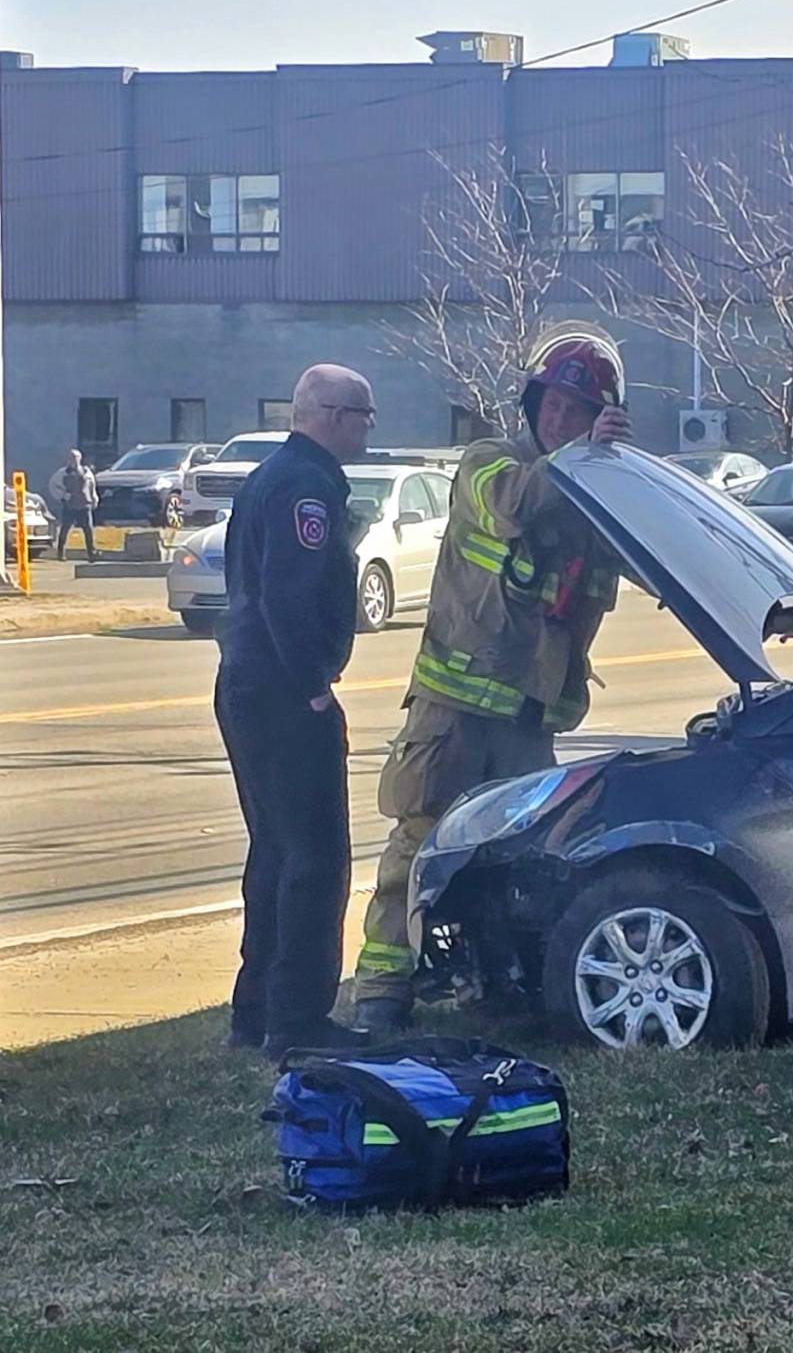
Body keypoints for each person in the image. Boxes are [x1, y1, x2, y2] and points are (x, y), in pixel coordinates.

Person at [348, 328, 631, 1033]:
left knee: (526, 859)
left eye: (579, 409)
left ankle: (499, 982)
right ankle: (383, 989)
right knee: (418, 842)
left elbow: (647, 557)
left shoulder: (596, 498)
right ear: (532, 404)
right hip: (455, 711)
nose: (562, 419)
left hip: (530, 720)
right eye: (555, 405)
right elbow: (518, 503)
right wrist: (585, 453)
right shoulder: (487, 466)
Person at [216, 364, 375, 1055]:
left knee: (275, 852)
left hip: (247, 685)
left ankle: (256, 1010)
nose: (369, 427)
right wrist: (313, 683)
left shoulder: (271, 475)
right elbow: (287, 594)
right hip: (284, 695)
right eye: (364, 415)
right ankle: (300, 1018)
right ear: (332, 415)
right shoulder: (306, 488)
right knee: (316, 859)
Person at [47, 448, 97, 561]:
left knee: (88, 530)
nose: (73, 460)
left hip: (85, 505)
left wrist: (94, 498)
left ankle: (92, 553)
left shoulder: (86, 472)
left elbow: (92, 486)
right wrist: (62, 496)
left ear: (80, 459)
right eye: (71, 458)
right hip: (70, 506)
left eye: (76, 458)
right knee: (65, 529)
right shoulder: (62, 473)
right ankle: (61, 553)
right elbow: (52, 485)